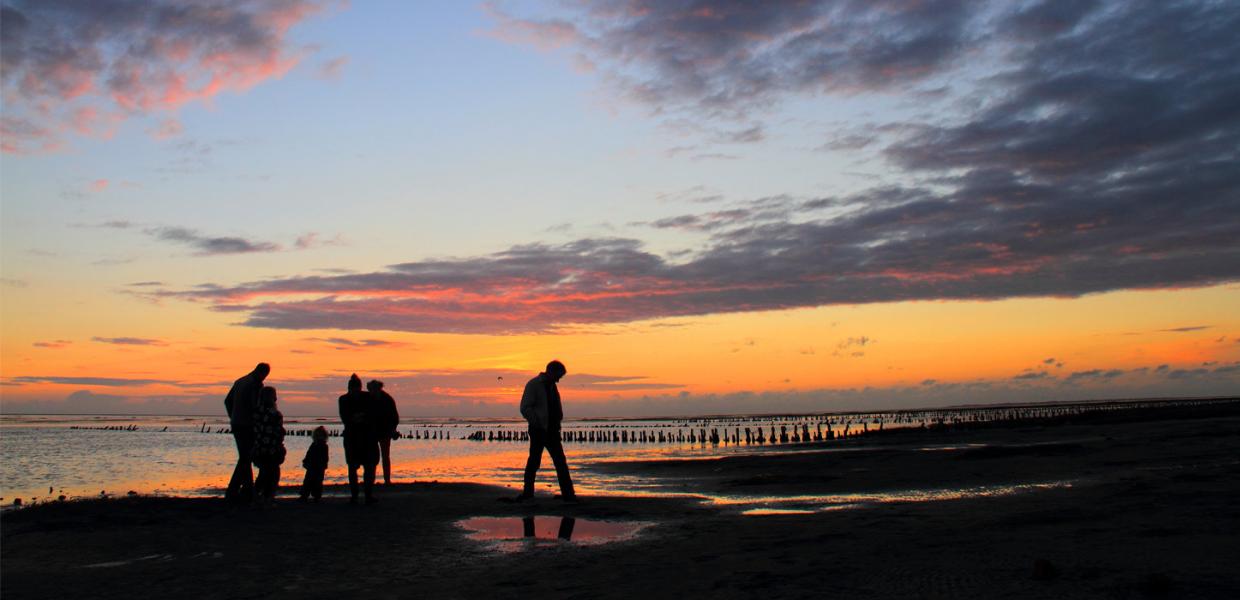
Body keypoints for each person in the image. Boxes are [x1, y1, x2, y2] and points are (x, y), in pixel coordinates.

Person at [516, 360, 576, 502]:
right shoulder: (534, 385)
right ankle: (528, 493)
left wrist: (557, 420)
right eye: (558, 376)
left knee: (560, 462)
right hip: (539, 430)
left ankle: (568, 494)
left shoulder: (552, 386)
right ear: (551, 372)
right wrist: (537, 422)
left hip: (552, 430)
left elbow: (554, 407)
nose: (559, 379)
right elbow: (525, 407)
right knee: (534, 462)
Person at [223, 362, 269, 504]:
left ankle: (243, 490)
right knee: (246, 457)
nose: (264, 379)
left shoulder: (240, 381)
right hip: (247, 425)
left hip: (237, 423)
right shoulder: (254, 385)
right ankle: (240, 490)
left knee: (245, 457)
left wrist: (233, 417)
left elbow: (227, 401)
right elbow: (255, 406)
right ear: (262, 373)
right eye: (265, 376)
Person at [339, 374, 379, 504]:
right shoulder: (344, 399)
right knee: (354, 467)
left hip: (365, 437)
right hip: (354, 437)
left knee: (369, 466)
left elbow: (372, 414)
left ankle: (366, 495)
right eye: (354, 388)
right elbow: (346, 418)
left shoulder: (366, 397)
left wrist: (359, 417)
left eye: (357, 388)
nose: (356, 391)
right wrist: (359, 417)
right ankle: (356, 495)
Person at [252, 386, 286, 505]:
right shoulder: (276, 414)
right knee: (273, 474)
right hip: (272, 449)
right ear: (273, 398)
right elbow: (278, 433)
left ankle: (257, 495)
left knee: (263, 473)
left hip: (259, 448)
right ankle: (268, 496)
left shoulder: (256, 412)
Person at [367, 380, 400, 485]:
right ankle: (371, 480)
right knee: (372, 457)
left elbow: (395, 417)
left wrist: (393, 429)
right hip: (372, 431)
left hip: (385, 431)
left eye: (372, 389)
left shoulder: (387, 399)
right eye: (370, 390)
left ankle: (387, 480)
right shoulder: (368, 398)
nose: (371, 391)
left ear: (378, 388)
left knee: (385, 456)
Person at [299, 426, 329, 502]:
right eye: (318, 436)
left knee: (316, 482)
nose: (319, 437)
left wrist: (324, 465)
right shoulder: (314, 445)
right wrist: (305, 461)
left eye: (320, 436)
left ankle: (315, 496)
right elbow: (309, 454)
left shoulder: (323, 446)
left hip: (317, 467)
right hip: (312, 466)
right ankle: (306, 495)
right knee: (309, 481)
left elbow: (325, 457)